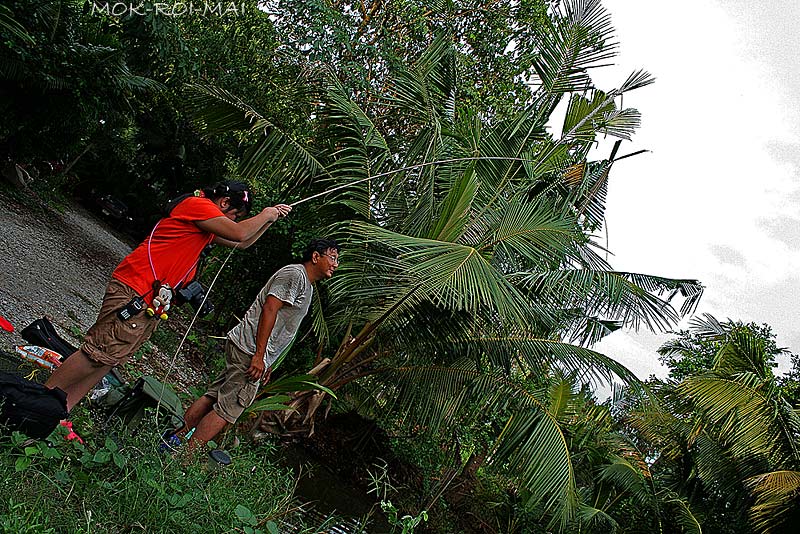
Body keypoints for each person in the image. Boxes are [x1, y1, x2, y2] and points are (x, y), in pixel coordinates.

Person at [45, 181, 292, 412]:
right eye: (236, 214)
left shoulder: (206, 222)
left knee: (109, 359)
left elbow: (242, 243)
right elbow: (238, 233)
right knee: (95, 353)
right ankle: (38, 399)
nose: (235, 220)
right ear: (224, 202)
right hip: (136, 289)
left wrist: (270, 220)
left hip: (150, 298)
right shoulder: (198, 206)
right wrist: (266, 214)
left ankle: (57, 412)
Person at [169, 238, 340, 452]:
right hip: (250, 351)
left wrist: (267, 361)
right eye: (332, 258)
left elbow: (282, 327)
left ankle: (174, 441)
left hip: (250, 350)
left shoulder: (307, 286)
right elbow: (270, 308)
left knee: (214, 395)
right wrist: (259, 355)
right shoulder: (295, 275)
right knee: (227, 409)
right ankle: (185, 457)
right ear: (316, 257)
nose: (336, 264)